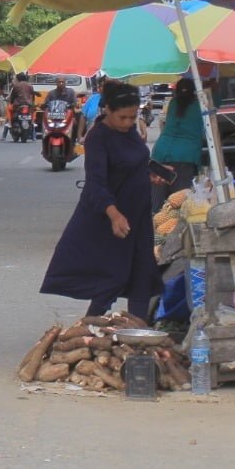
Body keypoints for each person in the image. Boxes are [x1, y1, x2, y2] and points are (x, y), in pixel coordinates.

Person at [40, 81, 161, 319]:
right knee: (110, 275)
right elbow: (96, 182)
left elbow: (133, 162)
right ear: (107, 110)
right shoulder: (98, 137)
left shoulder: (130, 133)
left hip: (138, 215)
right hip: (109, 217)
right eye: (122, 117)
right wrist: (114, 215)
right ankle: (89, 324)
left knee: (141, 273)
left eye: (132, 117)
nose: (128, 123)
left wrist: (151, 173)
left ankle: (138, 329)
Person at [149, 78, 204, 208]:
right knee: (179, 206)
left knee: (158, 204)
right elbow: (216, 100)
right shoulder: (200, 105)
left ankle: (155, 227)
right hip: (184, 158)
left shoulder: (173, 103)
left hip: (160, 154)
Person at [3, 72, 36, 141]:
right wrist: (32, 103)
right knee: (34, 110)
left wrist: (11, 102)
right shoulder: (30, 85)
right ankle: (32, 122)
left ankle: (9, 123)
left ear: (18, 79)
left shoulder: (16, 86)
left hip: (17, 105)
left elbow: (13, 96)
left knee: (8, 109)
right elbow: (33, 96)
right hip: (29, 105)